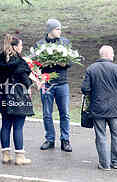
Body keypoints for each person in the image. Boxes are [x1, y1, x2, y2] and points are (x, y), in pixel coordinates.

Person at [81, 45, 117, 171]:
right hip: (114, 109)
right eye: (113, 54)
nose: (113, 56)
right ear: (108, 55)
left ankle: (104, 164)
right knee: (116, 135)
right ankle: (116, 162)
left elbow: (85, 89)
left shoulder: (91, 68)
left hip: (97, 108)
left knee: (101, 136)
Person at [0, 34, 33, 165]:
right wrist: (34, 81)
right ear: (15, 47)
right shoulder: (20, 62)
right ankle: (20, 157)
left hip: (3, 95)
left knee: (5, 125)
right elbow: (26, 81)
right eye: (21, 45)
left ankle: (5, 155)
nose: (22, 48)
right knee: (18, 127)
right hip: (18, 97)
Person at [35, 19, 72, 152]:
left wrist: (65, 63)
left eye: (60, 29)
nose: (60, 31)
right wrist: (42, 66)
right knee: (46, 113)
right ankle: (50, 139)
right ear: (50, 30)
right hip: (47, 83)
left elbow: (70, 62)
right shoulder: (40, 44)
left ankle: (65, 140)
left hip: (62, 83)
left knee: (65, 113)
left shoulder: (65, 43)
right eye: (57, 29)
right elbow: (35, 64)